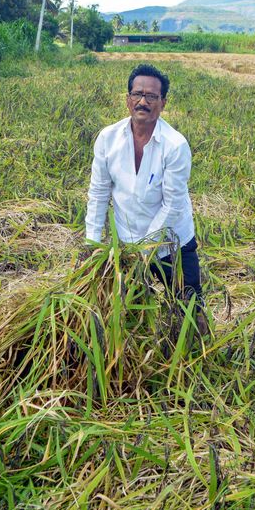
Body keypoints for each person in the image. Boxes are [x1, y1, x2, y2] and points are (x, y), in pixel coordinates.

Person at [85, 64, 206, 331]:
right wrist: (92, 245)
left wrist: (144, 251)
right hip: (127, 245)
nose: (143, 101)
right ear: (128, 99)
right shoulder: (108, 139)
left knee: (189, 307)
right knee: (129, 312)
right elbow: (98, 193)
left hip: (171, 243)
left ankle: (198, 357)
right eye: (137, 94)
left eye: (151, 96)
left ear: (163, 103)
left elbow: (173, 204)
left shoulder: (175, 145)